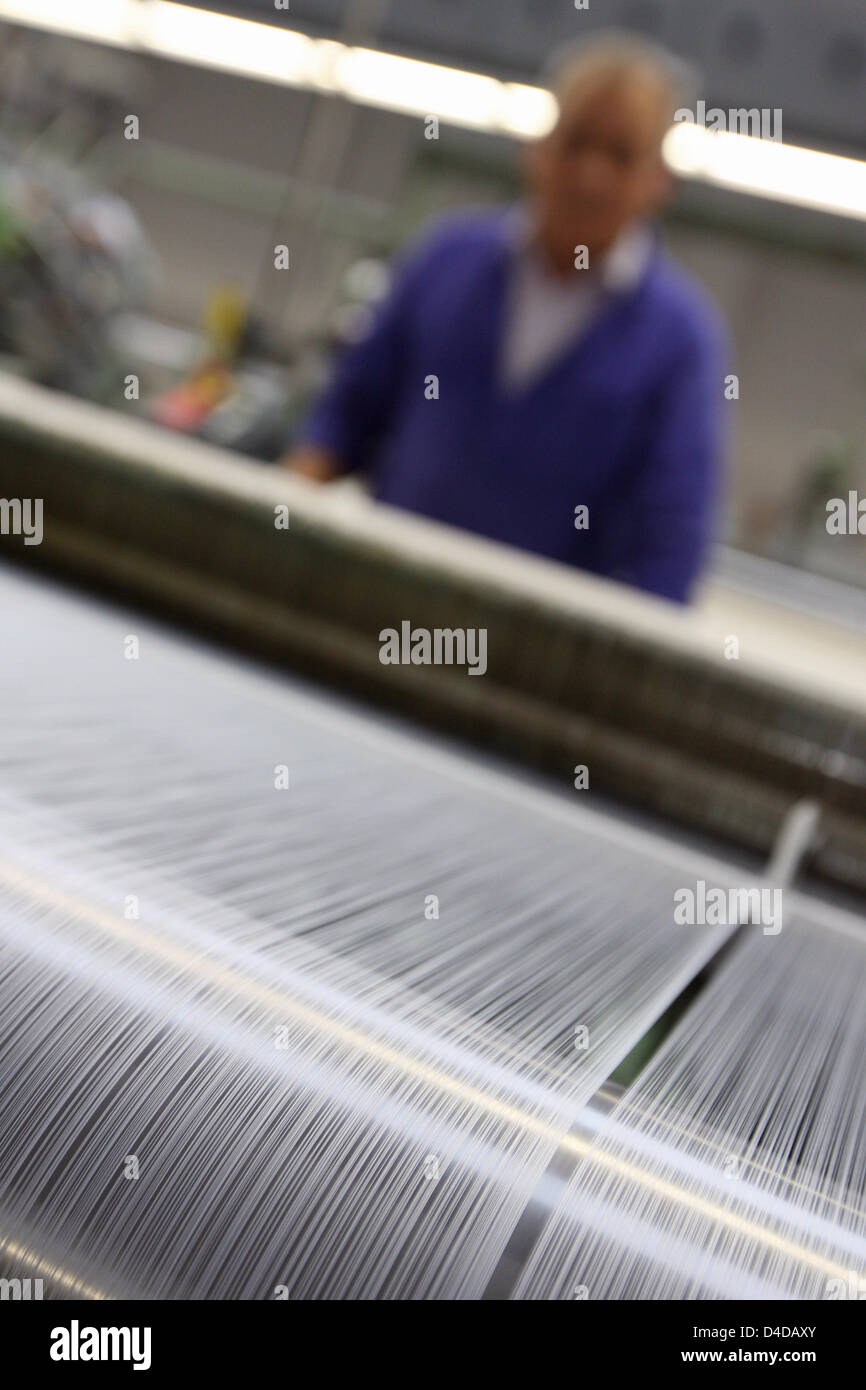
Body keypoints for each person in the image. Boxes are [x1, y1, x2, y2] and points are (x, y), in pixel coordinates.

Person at [283, 34, 729, 604]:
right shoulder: (444, 262)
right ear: (538, 147)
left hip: (534, 659)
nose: (590, 175)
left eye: (621, 155)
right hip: (384, 605)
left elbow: (670, 547)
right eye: (577, 142)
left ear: (658, 180)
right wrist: (269, 523)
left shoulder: (679, 341)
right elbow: (343, 421)